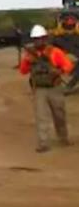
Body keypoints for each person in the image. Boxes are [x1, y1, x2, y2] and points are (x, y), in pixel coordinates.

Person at [18, 24, 74, 152]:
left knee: (59, 115)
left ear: (45, 38)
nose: (38, 41)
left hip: (55, 87)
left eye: (40, 38)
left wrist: (59, 71)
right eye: (35, 39)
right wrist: (27, 61)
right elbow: (23, 71)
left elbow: (68, 65)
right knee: (41, 116)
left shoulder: (54, 52)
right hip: (39, 90)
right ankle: (43, 143)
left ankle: (63, 137)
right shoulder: (30, 54)